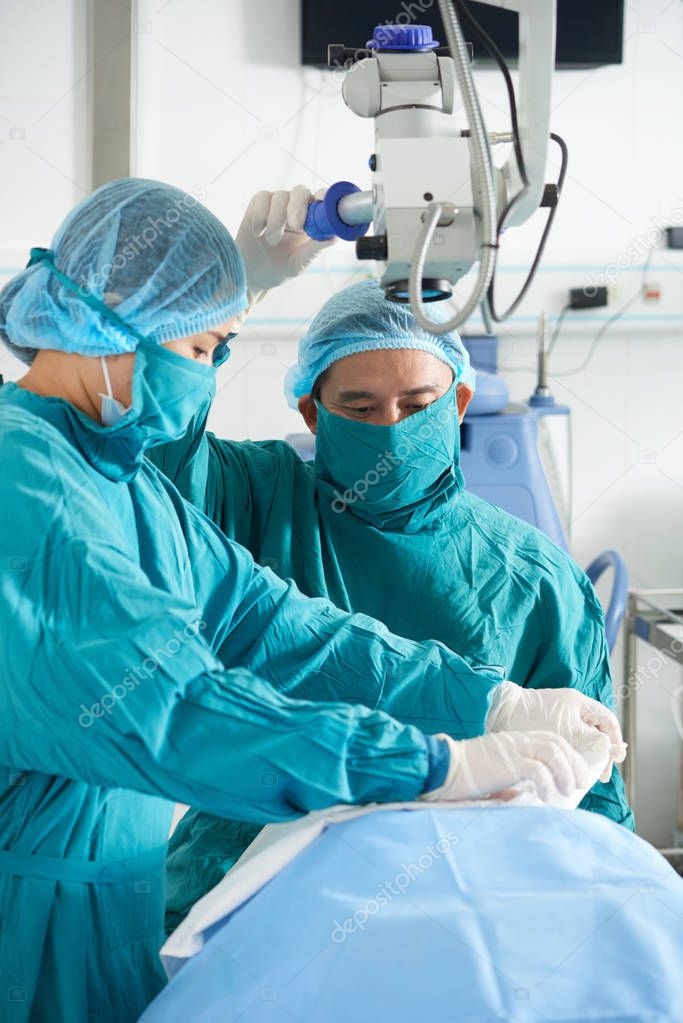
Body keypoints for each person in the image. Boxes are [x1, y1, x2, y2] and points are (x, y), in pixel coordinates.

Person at [0, 179, 616, 1022]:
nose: (206, 377)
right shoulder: (26, 489)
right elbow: (176, 710)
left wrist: (488, 700)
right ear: (114, 327)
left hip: (102, 911)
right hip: (24, 929)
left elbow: (272, 623)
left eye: (223, 351)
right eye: (203, 349)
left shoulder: (120, 478)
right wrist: (437, 765)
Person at [149, 279, 633, 932]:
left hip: (463, 909)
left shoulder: (536, 580)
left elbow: (594, 809)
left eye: (416, 403)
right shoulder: (254, 499)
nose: (392, 430)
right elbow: (152, 457)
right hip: (247, 889)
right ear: (313, 413)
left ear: (459, 401)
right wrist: (221, 294)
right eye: (360, 407)